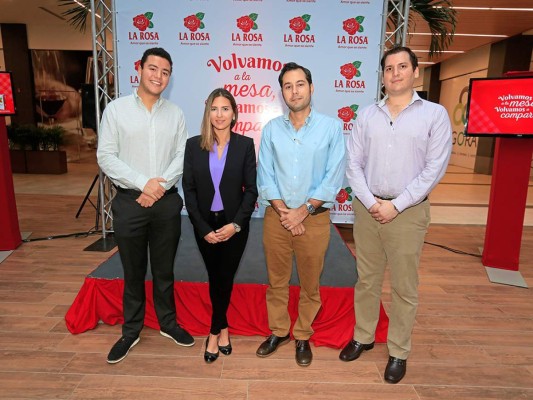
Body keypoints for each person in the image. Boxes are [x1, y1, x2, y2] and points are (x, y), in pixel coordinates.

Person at [342, 45, 452, 383]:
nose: (395, 74)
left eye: (402, 67)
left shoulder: (434, 115)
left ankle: (399, 351)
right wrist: (372, 203)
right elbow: (353, 164)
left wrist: (396, 204)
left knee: (405, 286)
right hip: (368, 208)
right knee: (366, 279)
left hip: (408, 213)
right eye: (389, 69)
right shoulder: (367, 115)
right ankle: (363, 336)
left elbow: (434, 168)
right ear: (383, 76)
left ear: (415, 72)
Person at [97, 47, 194, 364]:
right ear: (139, 69)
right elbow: (106, 156)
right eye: (153, 69)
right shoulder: (116, 110)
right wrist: (144, 183)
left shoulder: (176, 113)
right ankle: (131, 330)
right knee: (133, 270)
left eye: (165, 72)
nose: (159, 76)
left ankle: (168, 323)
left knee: (164, 269)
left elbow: (182, 156)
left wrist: (160, 185)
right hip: (130, 202)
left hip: (166, 203)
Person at [256, 62, 346, 367]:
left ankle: (303, 334)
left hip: (315, 219)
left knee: (310, 283)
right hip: (276, 218)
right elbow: (265, 177)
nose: (294, 91)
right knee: (276, 280)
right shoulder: (271, 129)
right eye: (287, 86)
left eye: (300, 84)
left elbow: (333, 178)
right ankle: (279, 331)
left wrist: (303, 212)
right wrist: (286, 213)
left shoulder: (331, 127)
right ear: (281, 92)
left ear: (311, 87)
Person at [182, 88, 258, 364]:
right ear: (207, 113)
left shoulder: (245, 145)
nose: (219, 114)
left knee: (223, 277)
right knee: (216, 277)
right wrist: (202, 228)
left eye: (225, 108)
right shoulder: (193, 145)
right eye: (214, 109)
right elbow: (188, 191)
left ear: (234, 113)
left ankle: (213, 332)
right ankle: (223, 328)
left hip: (234, 226)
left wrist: (236, 225)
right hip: (204, 225)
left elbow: (251, 191)